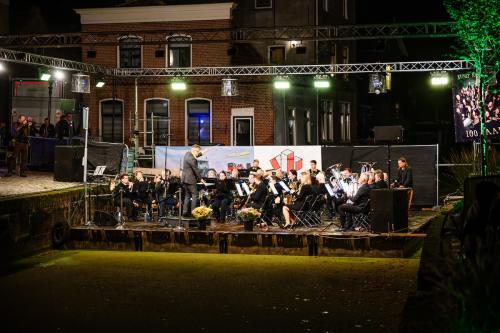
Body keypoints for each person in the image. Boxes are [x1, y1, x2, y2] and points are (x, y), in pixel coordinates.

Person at [181, 144, 204, 217]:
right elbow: (196, 170)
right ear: (194, 150)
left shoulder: (187, 154)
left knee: (187, 196)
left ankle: (184, 212)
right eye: (197, 152)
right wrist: (201, 179)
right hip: (190, 179)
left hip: (184, 179)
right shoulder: (192, 159)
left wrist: (201, 153)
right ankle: (193, 212)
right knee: (195, 195)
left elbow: (195, 155)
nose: (198, 153)